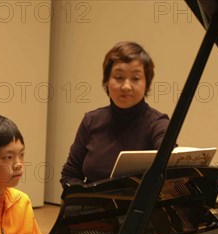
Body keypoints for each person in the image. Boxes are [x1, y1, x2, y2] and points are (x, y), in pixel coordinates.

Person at [60, 41, 170, 186]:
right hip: (94, 205)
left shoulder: (158, 123)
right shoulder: (91, 120)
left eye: (135, 78)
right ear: (106, 81)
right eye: (118, 77)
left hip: (139, 207)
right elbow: (70, 174)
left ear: (147, 83)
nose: (126, 86)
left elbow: (169, 166)